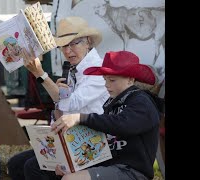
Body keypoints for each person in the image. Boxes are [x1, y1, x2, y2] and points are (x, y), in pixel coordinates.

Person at [7, 16, 110, 180]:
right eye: (63, 46)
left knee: (32, 167)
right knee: (15, 163)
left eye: (74, 43)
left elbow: (72, 103)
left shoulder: (97, 69)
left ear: (88, 42)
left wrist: (40, 74)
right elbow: (64, 107)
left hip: (93, 142)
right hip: (73, 137)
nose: (68, 51)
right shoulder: (75, 68)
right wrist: (52, 87)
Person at [51, 50, 163, 180]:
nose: (106, 85)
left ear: (130, 79)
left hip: (132, 171)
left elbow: (121, 124)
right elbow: (102, 139)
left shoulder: (142, 101)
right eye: (105, 80)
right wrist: (72, 164)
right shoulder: (111, 103)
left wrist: (80, 118)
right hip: (109, 165)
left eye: (112, 80)